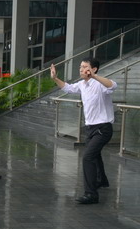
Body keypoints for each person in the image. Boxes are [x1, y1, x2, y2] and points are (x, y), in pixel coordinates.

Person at [50, 58, 117, 204]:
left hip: (103, 128)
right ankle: (101, 180)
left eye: (85, 66)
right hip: (91, 128)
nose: (81, 69)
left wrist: (95, 76)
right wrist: (55, 78)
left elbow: (113, 85)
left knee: (88, 157)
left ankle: (91, 194)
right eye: (80, 66)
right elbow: (68, 88)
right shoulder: (82, 84)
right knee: (95, 155)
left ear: (94, 69)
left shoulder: (100, 84)